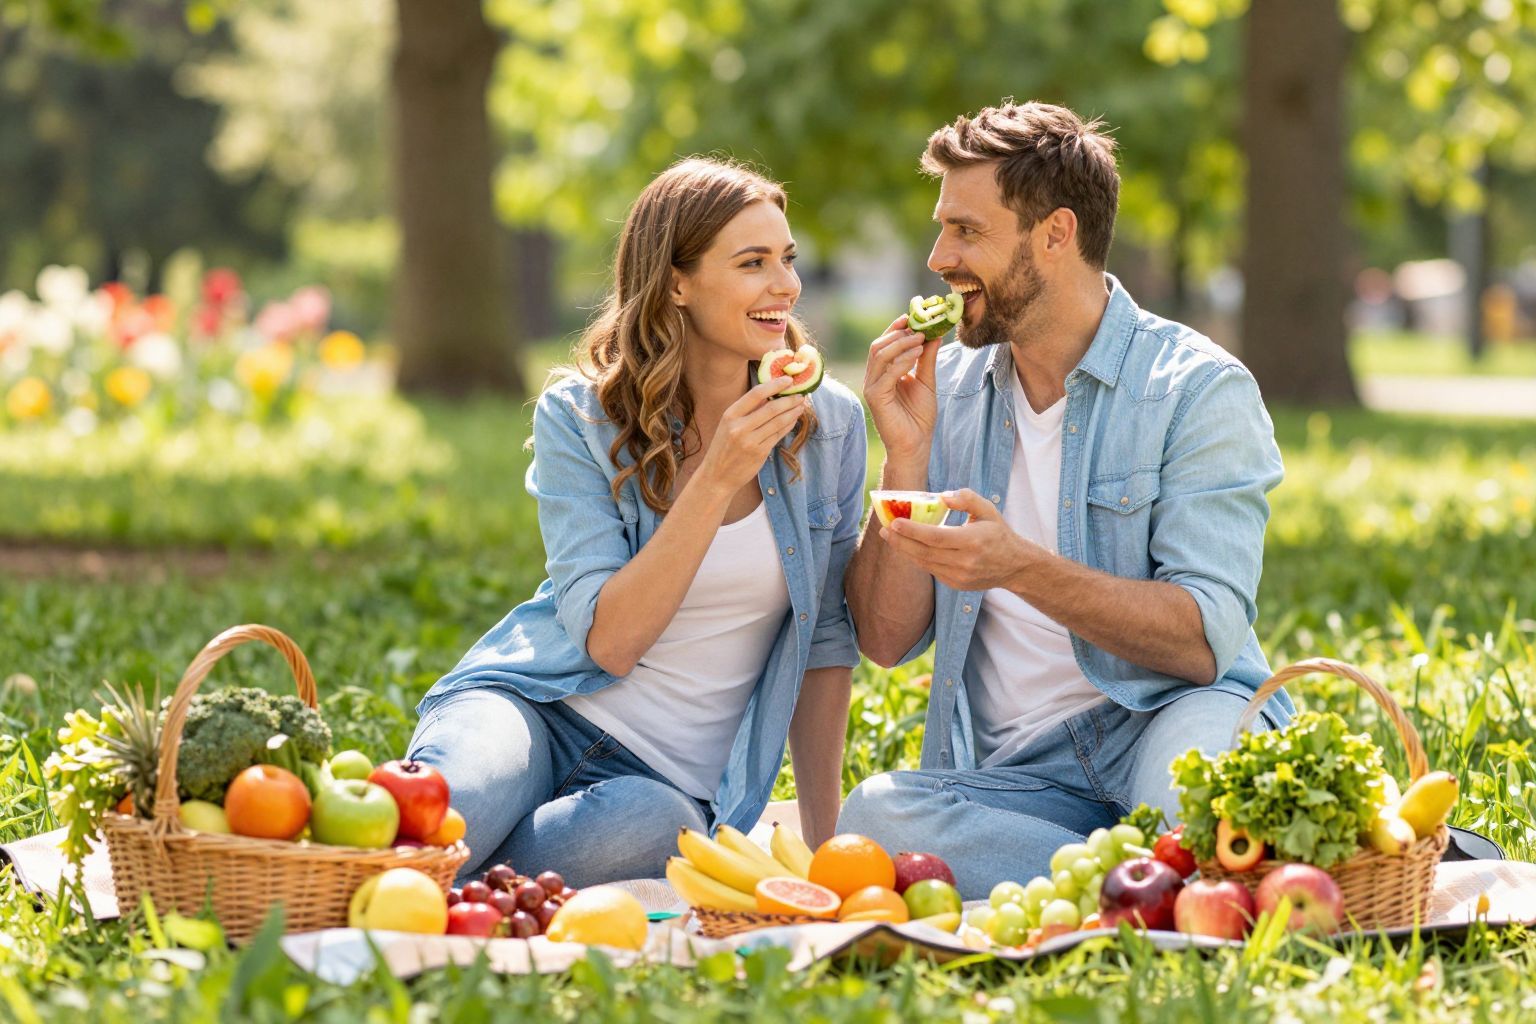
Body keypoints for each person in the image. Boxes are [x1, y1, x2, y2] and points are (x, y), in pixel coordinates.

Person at [837, 101, 1294, 899]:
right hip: (1025, 775)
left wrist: (1018, 567)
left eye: (967, 231)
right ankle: (1156, 882)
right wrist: (904, 458)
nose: (939, 258)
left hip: (1171, 718)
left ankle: (1126, 874)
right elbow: (883, 638)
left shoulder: (1196, 389)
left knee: (1200, 789)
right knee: (875, 816)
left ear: (1056, 234)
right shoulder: (944, 390)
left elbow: (1203, 641)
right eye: (941, 229)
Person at [409, 158, 865, 886]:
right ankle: (377, 884)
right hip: (534, 710)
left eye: (787, 259)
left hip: (658, 785)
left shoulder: (828, 423)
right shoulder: (581, 417)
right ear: (677, 283)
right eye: (752, 263)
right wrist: (717, 477)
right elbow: (612, 643)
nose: (785, 285)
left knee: (656, 829)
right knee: (456, 807)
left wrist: (828, 851)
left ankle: (435, 887)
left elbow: (826, 643)